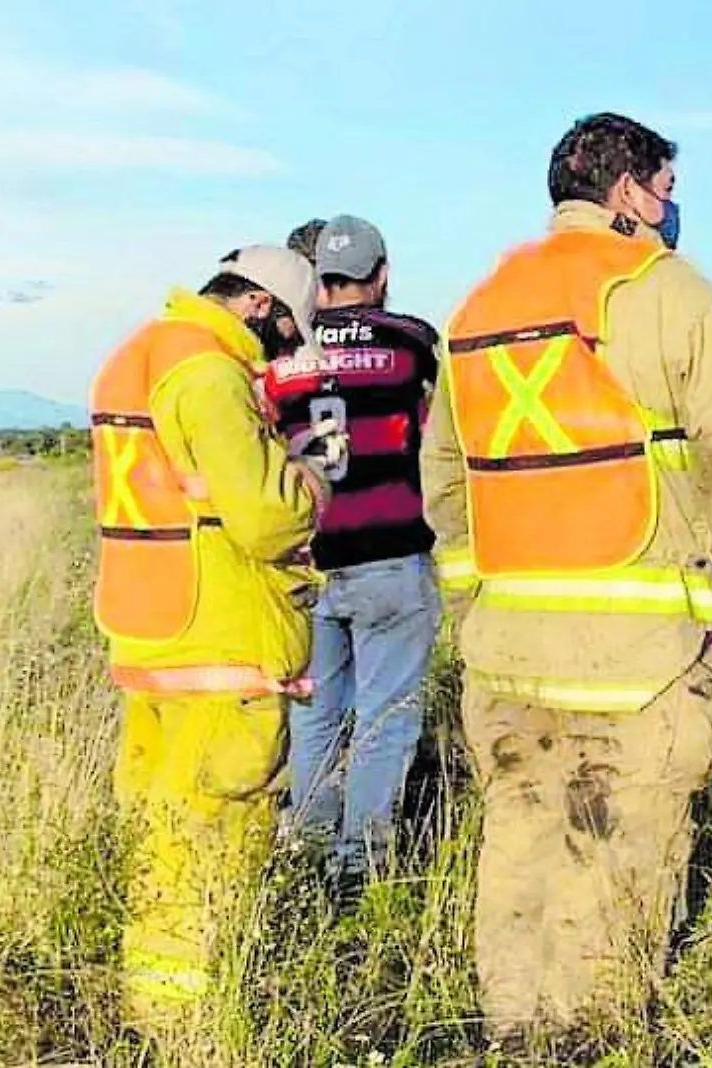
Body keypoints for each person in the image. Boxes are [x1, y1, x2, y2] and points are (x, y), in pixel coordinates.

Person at [420, 111, 712, 1044]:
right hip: (641, 656)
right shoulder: (669, 293)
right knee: (620, 855)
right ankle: (590, 1040)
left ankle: (512, 1029)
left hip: (504, 653)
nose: (671, 213)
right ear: (627, 190)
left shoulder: (475, 310)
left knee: (517, 836)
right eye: (667, 193)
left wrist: (474, 603)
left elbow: (446, 482)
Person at [89, 245, 342, 1028]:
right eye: (287, 332)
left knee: (163, 841)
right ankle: (196, 1026)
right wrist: (309, 481)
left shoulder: (136, 355)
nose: (288, 352)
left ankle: (154, 1006)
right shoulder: (208, 372)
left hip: (149, 633)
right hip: (222, 638)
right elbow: (266, 520)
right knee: (219, 843)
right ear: (259, 305)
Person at [263, 215, 442, 897]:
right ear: (383, 274)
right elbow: (436, 432)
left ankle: (305, 846)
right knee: (386, 715)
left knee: (315, 715)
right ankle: (359, 866)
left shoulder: (281, 360)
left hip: (309, 560)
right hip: (392, 554)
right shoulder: (411, 343)